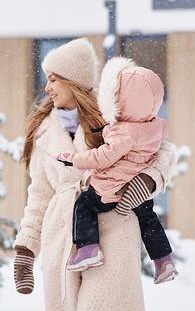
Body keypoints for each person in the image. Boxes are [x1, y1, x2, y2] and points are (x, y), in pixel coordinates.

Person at [12, 38, 177, 311]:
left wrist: (148, 181)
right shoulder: (44, 132)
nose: (47, 88)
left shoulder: (113, 115)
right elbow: (38, 195)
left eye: (54, 79)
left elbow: (163, 150)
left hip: (112, 228)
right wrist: (26, 248)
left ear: (73, 81)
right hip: (63, 237)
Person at [57, 57, 177, 283]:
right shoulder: (156, 127)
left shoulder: (123, 132)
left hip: (111, 188)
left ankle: (88, 248)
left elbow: (103, 157)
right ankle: (163, 260)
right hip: (134, 190)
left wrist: (75, 160)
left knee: (84, 205)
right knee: (149, 219)